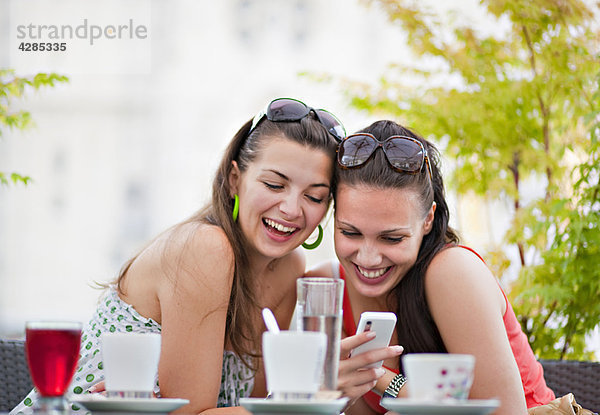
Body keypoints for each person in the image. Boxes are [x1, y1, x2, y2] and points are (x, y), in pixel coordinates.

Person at [12, 98, 344, 415]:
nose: (291, 209)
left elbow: (250, 404)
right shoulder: (205, 248)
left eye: (314, 197)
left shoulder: (289, 268)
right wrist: (309, 399)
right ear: (234, 180)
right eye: (274, 185)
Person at [307, 120, 556, 415]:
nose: (369, 258)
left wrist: (379, 377)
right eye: (350, 232)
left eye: (392, 238)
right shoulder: (327, 289)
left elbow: (505, 413)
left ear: (427, 220)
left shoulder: (452, 272)